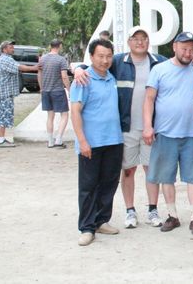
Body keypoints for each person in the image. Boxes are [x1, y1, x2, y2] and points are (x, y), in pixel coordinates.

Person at [74, 26, 193, 229]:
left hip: (152, 128)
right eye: (135, 38)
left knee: (151, 170)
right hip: (126, 127)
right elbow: (97, 64)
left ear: (148, 41)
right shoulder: (117, 61)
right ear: (128, 42)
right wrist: (78, 68)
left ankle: (153, 210)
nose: (140, 42)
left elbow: (185, 59)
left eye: (144, 38)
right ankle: (130, 211)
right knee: (128, 170)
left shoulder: (158, 61)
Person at [143, 31, 193, 236]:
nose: (188, 53)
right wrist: (147, 126)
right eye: (184, 48)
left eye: (192, 49)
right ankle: (172, 215)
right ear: (174, 47)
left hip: (191, 132)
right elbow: (149, 99)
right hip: (165, 132)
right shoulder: (159, 69)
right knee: (166, 177)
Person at [70, 39, 123, 246]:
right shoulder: (83, 79)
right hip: (91, 143)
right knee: (88, 186)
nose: (105, 60)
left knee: (109, 183)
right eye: (100, 56)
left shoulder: (111, 77)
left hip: (114, 140)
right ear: (91, 57)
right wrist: (82, 141)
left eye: (108, 56)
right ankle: (87, 227)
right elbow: (75, 111)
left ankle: (101, 221)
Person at [0, 40, 39, 148]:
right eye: (11, 47)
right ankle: (1, 141)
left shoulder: (1, 59)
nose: (13, 49)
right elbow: (19, 67)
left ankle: (0, 139)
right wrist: (34, 68)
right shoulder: (5, 59)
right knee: (3, 116)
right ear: (4, 49)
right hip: (4, 93)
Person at [38, 39, 70, 149]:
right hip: (58, 90)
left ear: (50, 46)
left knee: (50, 116)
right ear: (60, 46)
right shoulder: (61, 60)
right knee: (64, 115)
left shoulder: (42, 59)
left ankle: (50, 141)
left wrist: (41, 87)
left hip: (46, 90)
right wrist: (69, 89)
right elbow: (64, 76)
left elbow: (39, 74)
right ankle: (59, 140)